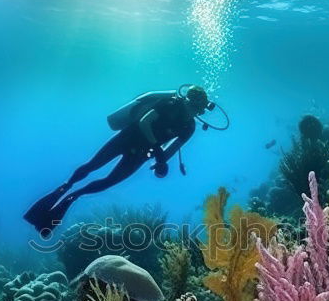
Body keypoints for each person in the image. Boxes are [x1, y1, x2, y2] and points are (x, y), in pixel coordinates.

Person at [24, 85, 212, 237]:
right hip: (127, 138)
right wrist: (156, 147)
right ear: (187, 100)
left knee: (108, 182)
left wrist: (161, 162)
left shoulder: (189, 127)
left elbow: (173, 147)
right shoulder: (169, 104)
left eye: (198, 109)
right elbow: (144, 122)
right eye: (193, 106)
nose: (194, 111)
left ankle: (72, 197)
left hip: (141, 153)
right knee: (92, 166)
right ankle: (65, 187)